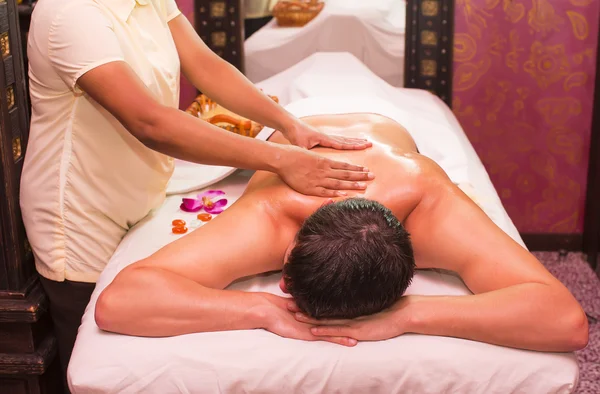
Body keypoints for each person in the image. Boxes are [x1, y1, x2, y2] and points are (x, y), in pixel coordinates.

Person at [20, 0, 372, 385]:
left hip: (140, 195)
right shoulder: (68, 13)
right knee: (104, 356)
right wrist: (279, 158)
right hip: (79, 212)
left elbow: (207, 67)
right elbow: (149, 122)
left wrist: (289, 124)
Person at [95, 112, 589, 353]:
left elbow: (566, 322)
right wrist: (256, 308)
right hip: (300, 122)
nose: (277, 289)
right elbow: (119, 303)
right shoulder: (272, 214)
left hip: (386, 130)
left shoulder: (430, 203)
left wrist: (409, 317)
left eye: (275, 289)